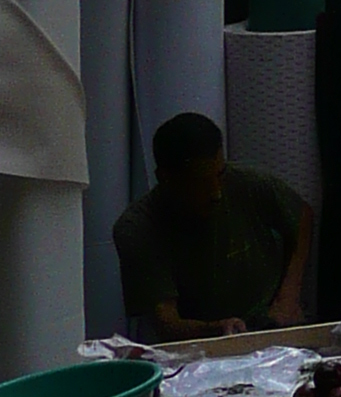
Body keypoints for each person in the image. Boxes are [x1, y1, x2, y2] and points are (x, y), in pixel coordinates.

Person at [113, 113, 312, 339]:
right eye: (201, 183)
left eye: (220, 175)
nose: (216, 192)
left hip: (268, 324)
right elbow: (167, 322)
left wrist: (289, 295)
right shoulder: (138, 228)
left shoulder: (244, 183)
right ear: (165, 178)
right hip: (198, 344)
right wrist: (218, 329)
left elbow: (302, 215)